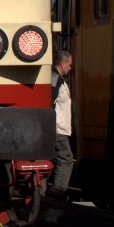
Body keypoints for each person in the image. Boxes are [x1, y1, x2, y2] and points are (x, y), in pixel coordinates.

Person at [48, 48, 74, 199]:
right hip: (57, 130)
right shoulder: (54, 79)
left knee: (50, 160)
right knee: (66, 160)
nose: (70, 68)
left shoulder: (57, 79)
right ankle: (56, 194)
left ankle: (43, 195)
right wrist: (52, 128)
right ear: (62, 63)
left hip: (57, 129)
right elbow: (49, 102)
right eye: (69, 65)